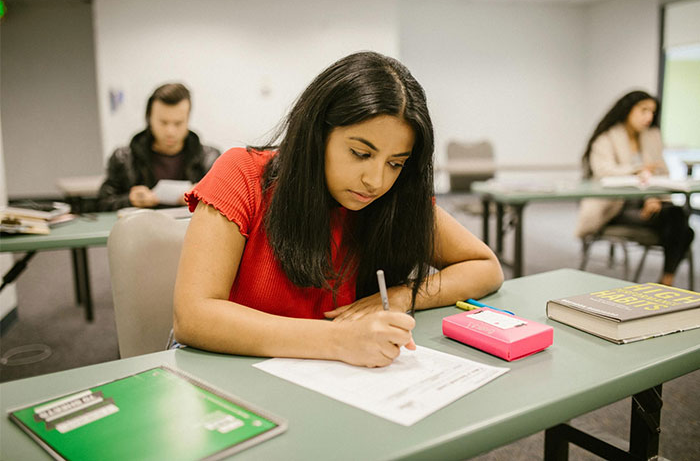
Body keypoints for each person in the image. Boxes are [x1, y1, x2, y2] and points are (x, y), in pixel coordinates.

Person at [173, 51, 504, 368]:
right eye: (361, 153)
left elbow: (485, 267)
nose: (376, 181)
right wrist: (337, 339)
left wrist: (402, 297)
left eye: (395, 163)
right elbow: (193, 317)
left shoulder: (396, 197)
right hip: (233, 374)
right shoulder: (242, 174)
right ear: (318, 133)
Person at [576, 90, 694, 286]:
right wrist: (636, 170)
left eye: (652, 112)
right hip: (614, 207)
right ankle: (666, 281)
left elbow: (660, 174)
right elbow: (603, 172)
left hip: (648, 204)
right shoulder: (606, 138)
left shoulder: (652, 137)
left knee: (679, 222)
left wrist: (653, 198)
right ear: (627, 110)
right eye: (643, 110)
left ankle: (666, 279)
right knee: (681, 225)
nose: (649, 117)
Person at [97, 83, 220, 211]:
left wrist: (202, 197)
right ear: (149, 118)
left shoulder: (210, 158)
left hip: (192, 229)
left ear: (188, 119)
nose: (170, 131)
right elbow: (102, 204)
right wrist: (129, 200)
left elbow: (228, 205)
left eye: (178, 123)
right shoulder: (123, 158)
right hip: (141, 229)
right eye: (163, 122)